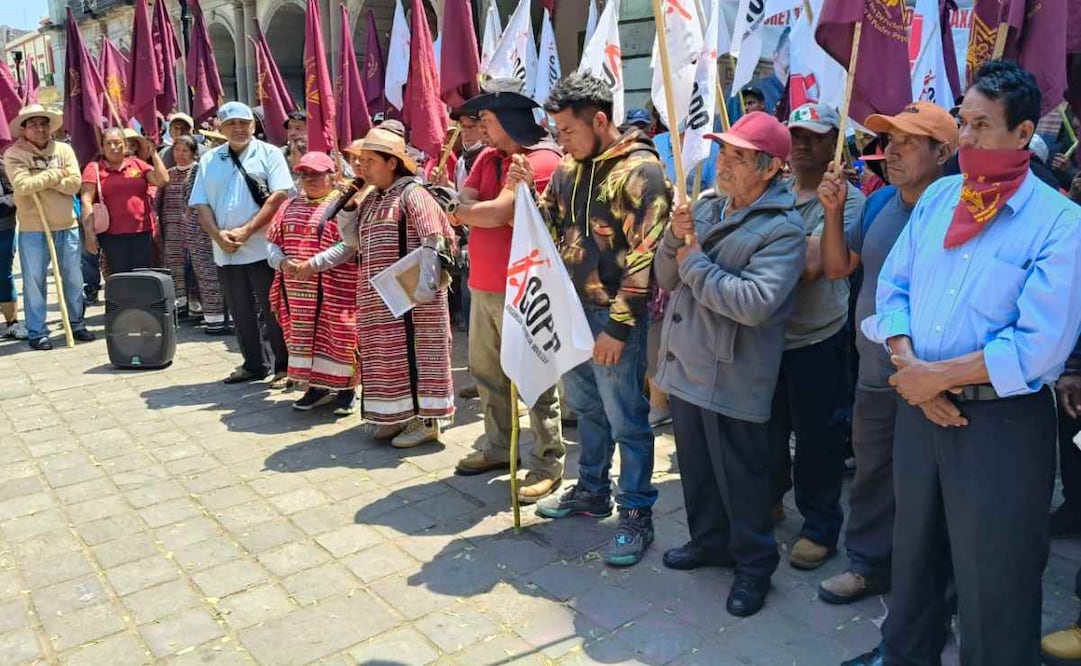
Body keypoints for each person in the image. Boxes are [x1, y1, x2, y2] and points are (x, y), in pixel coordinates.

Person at [845, 60, 1081, 666]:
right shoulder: (942, 197)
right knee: (915, 553)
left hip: (1000, 425)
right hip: (918, 408)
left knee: (994, 575)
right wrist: (909, 365)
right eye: (963, 122)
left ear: (1024, 134)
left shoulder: (1059, 221)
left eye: (981, 126)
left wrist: (938, 378)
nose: (966, 139)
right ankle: (906, 655)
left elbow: (1040, 344)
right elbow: (892, 289)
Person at [654, 111, 806, 617]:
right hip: (688, 366)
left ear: (770, 169)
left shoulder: (782, 230)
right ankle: (709, 543)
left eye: (740, 157)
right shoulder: (709, 207)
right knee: (697, 471)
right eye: (725, 153)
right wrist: (675, 239)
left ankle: (754, 567)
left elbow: (754, 302)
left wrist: (693, 258)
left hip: (734, 373)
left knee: (742, 479)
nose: (725, 164)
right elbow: (666, 278)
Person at [521, 72, 672, 567]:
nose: (560, 140)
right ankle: (590, 489)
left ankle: (635, 513)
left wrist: (619, 327)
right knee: (585, 409)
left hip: (612, 317)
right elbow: (547, 226)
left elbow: (645, 257)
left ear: (600, 119)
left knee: (627, 417)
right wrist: (524, 195)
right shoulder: (567, 169)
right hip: (570, 312)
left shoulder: (641, 173)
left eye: (566, 130)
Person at [812, 102, 958, 605]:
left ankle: (939, 583)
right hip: (875, 374)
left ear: (943, 152)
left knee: (936, 487)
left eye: (906, 142)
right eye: (888, 140)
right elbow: (837, 268)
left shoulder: (960, 212)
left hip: (934, 381)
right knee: (874, 474)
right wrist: (833, 214)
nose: (889, 151)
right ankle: (869, 565)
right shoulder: (879, 204)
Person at [447, 80, 565, 504]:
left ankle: (548, 459)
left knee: (535, 379)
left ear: (508, 121)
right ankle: (498, 446)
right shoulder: (488, 158)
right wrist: (472, 210)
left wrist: (466, 212)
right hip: (484, 283)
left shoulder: (544, 160)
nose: (480, 127)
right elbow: (472, 201)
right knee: (487, 374)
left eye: (487, 120)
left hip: (525, 287)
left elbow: (502, 212)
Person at [767, 103, 866, 571]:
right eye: (796, 134)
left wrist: (765, 253)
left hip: (818, 339)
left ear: (834, 142)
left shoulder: (850, 198)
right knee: (766, 432)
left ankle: (820, 525)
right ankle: (769, 499)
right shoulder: (776, 191)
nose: (802, 143)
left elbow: (816, 265)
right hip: (769, 338)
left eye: (814, 135)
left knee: (816, 441)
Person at [337, 127, 456, 448]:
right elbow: (353, 241)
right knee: (390, 357)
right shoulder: (373, 198)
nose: (363, 167)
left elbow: (434, 237)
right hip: (381, 301)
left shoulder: (412, 193)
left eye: (370, 160)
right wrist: (348, 208)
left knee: (418, 355)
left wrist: (426, 286)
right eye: (361, 160)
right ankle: (400, 414)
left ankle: (427, 420)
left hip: (414, 302)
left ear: (392, 162)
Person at [189, 101, 294, 386]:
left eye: (243, 123)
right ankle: (253, 364)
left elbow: (279, 196)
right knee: (240, 310)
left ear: (253, 125)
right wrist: (217, 236)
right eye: (231, 124)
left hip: (263, 248)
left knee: (272, 308)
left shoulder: (269, 154)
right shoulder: (210, 160)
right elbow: (201, 204)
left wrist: (247, 231)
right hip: (226, 250)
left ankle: (284, 366)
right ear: (221, 128)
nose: (238, 128)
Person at [267, 152, 359, 415]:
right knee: (304, 339)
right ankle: (316, 387)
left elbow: (348, 245)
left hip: (335, 288)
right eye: (305, 174)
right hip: (297, 291)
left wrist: (313, 265)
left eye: (317, 174)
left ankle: (346, 389)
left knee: (339, 336)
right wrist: (283, 263)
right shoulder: (289, 205)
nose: (310, 179)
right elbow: (272, 242)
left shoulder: (342, 205)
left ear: (332, 176)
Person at [4, 105, 94, 350]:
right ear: (24, 129)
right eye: (33, 124)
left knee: (74, 278)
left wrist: (41, 179)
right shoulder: (15, 154)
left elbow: (74, 183)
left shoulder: (64, 149)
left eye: (44, 123)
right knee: (35, 281)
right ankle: (37, 332)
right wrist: (55, 174)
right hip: (33, 229)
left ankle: (76, 323)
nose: (40, 129)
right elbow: (22, 186)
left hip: (67, 224)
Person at [157, 134, 227, 334]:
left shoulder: (199, 170)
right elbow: (160, 201)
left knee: (204, 273)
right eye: (177, 150)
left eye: (185, 150)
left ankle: (206, 312)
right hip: (175, 228)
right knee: (177, 268)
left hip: (202, 230)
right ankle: (182, 306)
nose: (180, 154)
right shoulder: (169, 174)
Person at [80, 127, 170, 275]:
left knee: (143, 274)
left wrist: (153, 153)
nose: (113, 147)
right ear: (102, 147)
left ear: (125, 145)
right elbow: (86, 200)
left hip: (142, 231)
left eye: (117, 142)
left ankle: (141, 299)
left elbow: (163, 180)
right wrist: (89, 233)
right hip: (111, 235)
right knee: (120, 276)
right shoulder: (95, 168)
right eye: (108, 143)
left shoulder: (137, 164)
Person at [0, 161, 26, 339]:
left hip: (3, 227)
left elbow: (14, 197)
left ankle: (12, 322)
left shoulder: (2, 165)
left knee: (3, 273)